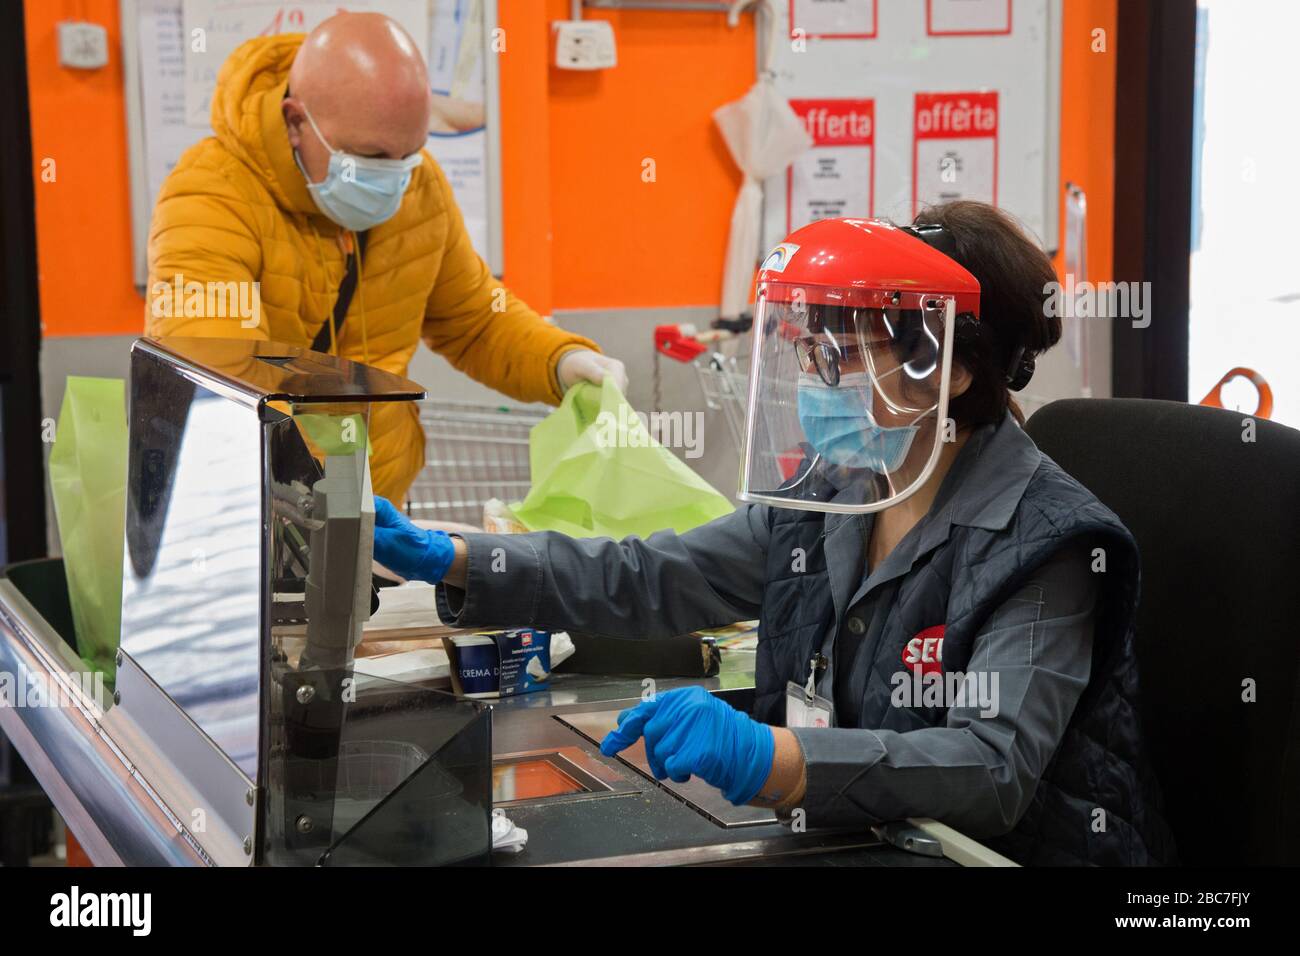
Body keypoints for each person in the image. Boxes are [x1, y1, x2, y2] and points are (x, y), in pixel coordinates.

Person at [372, 202, 1176, 866]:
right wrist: (460, 559)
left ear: (953, 369)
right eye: (816, 357)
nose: (824, 385)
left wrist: (775, 760)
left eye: (846, 358)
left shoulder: (1050, 545)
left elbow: (992, 768)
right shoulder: (836, 492)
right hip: (856, 837)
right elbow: (652, 575)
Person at [145, 12, 625, 503]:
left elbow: (475, 319)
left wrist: (562, 360)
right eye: (369, 157)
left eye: (410, 152)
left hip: (378, 507)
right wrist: (318, 506)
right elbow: (218, 385)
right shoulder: (209, 198)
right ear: (296, 122)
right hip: (266, 514)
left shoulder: (419, 185)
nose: (394, 178)